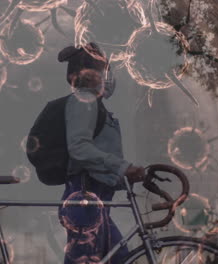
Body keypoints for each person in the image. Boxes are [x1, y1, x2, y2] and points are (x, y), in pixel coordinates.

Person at [57, 43, 145, 264]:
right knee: (103, 259)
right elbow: (78, 147)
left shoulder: (94, 105)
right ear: (87, 74)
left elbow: (98, 149)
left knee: (117, 258)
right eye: (102, 70)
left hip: (95, 199)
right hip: (85, 198)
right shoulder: (82, 101)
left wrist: (121, 174)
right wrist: (122, 166)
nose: (107, 77)